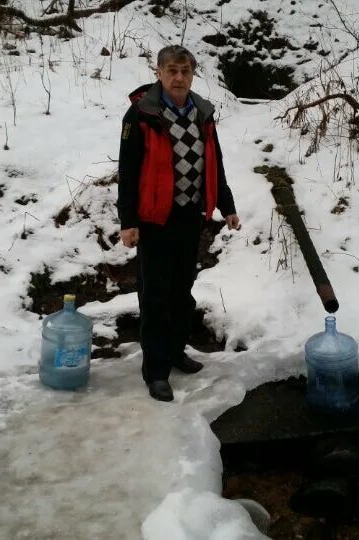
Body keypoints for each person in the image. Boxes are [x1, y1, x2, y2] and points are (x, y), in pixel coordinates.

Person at [118, 45, 240, 402]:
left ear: (192, 74)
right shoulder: (140, 115)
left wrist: (226, 205)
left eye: (185, 71)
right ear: (158, 72)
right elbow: (127, 172)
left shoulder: (202, 112)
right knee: (155, 295)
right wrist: (128, 220)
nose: (178, 77)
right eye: (171, 70)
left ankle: (173, 352)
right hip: (154, 219)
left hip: (189, 216)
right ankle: (155, 371)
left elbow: (214, 161)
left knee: (181, 292)